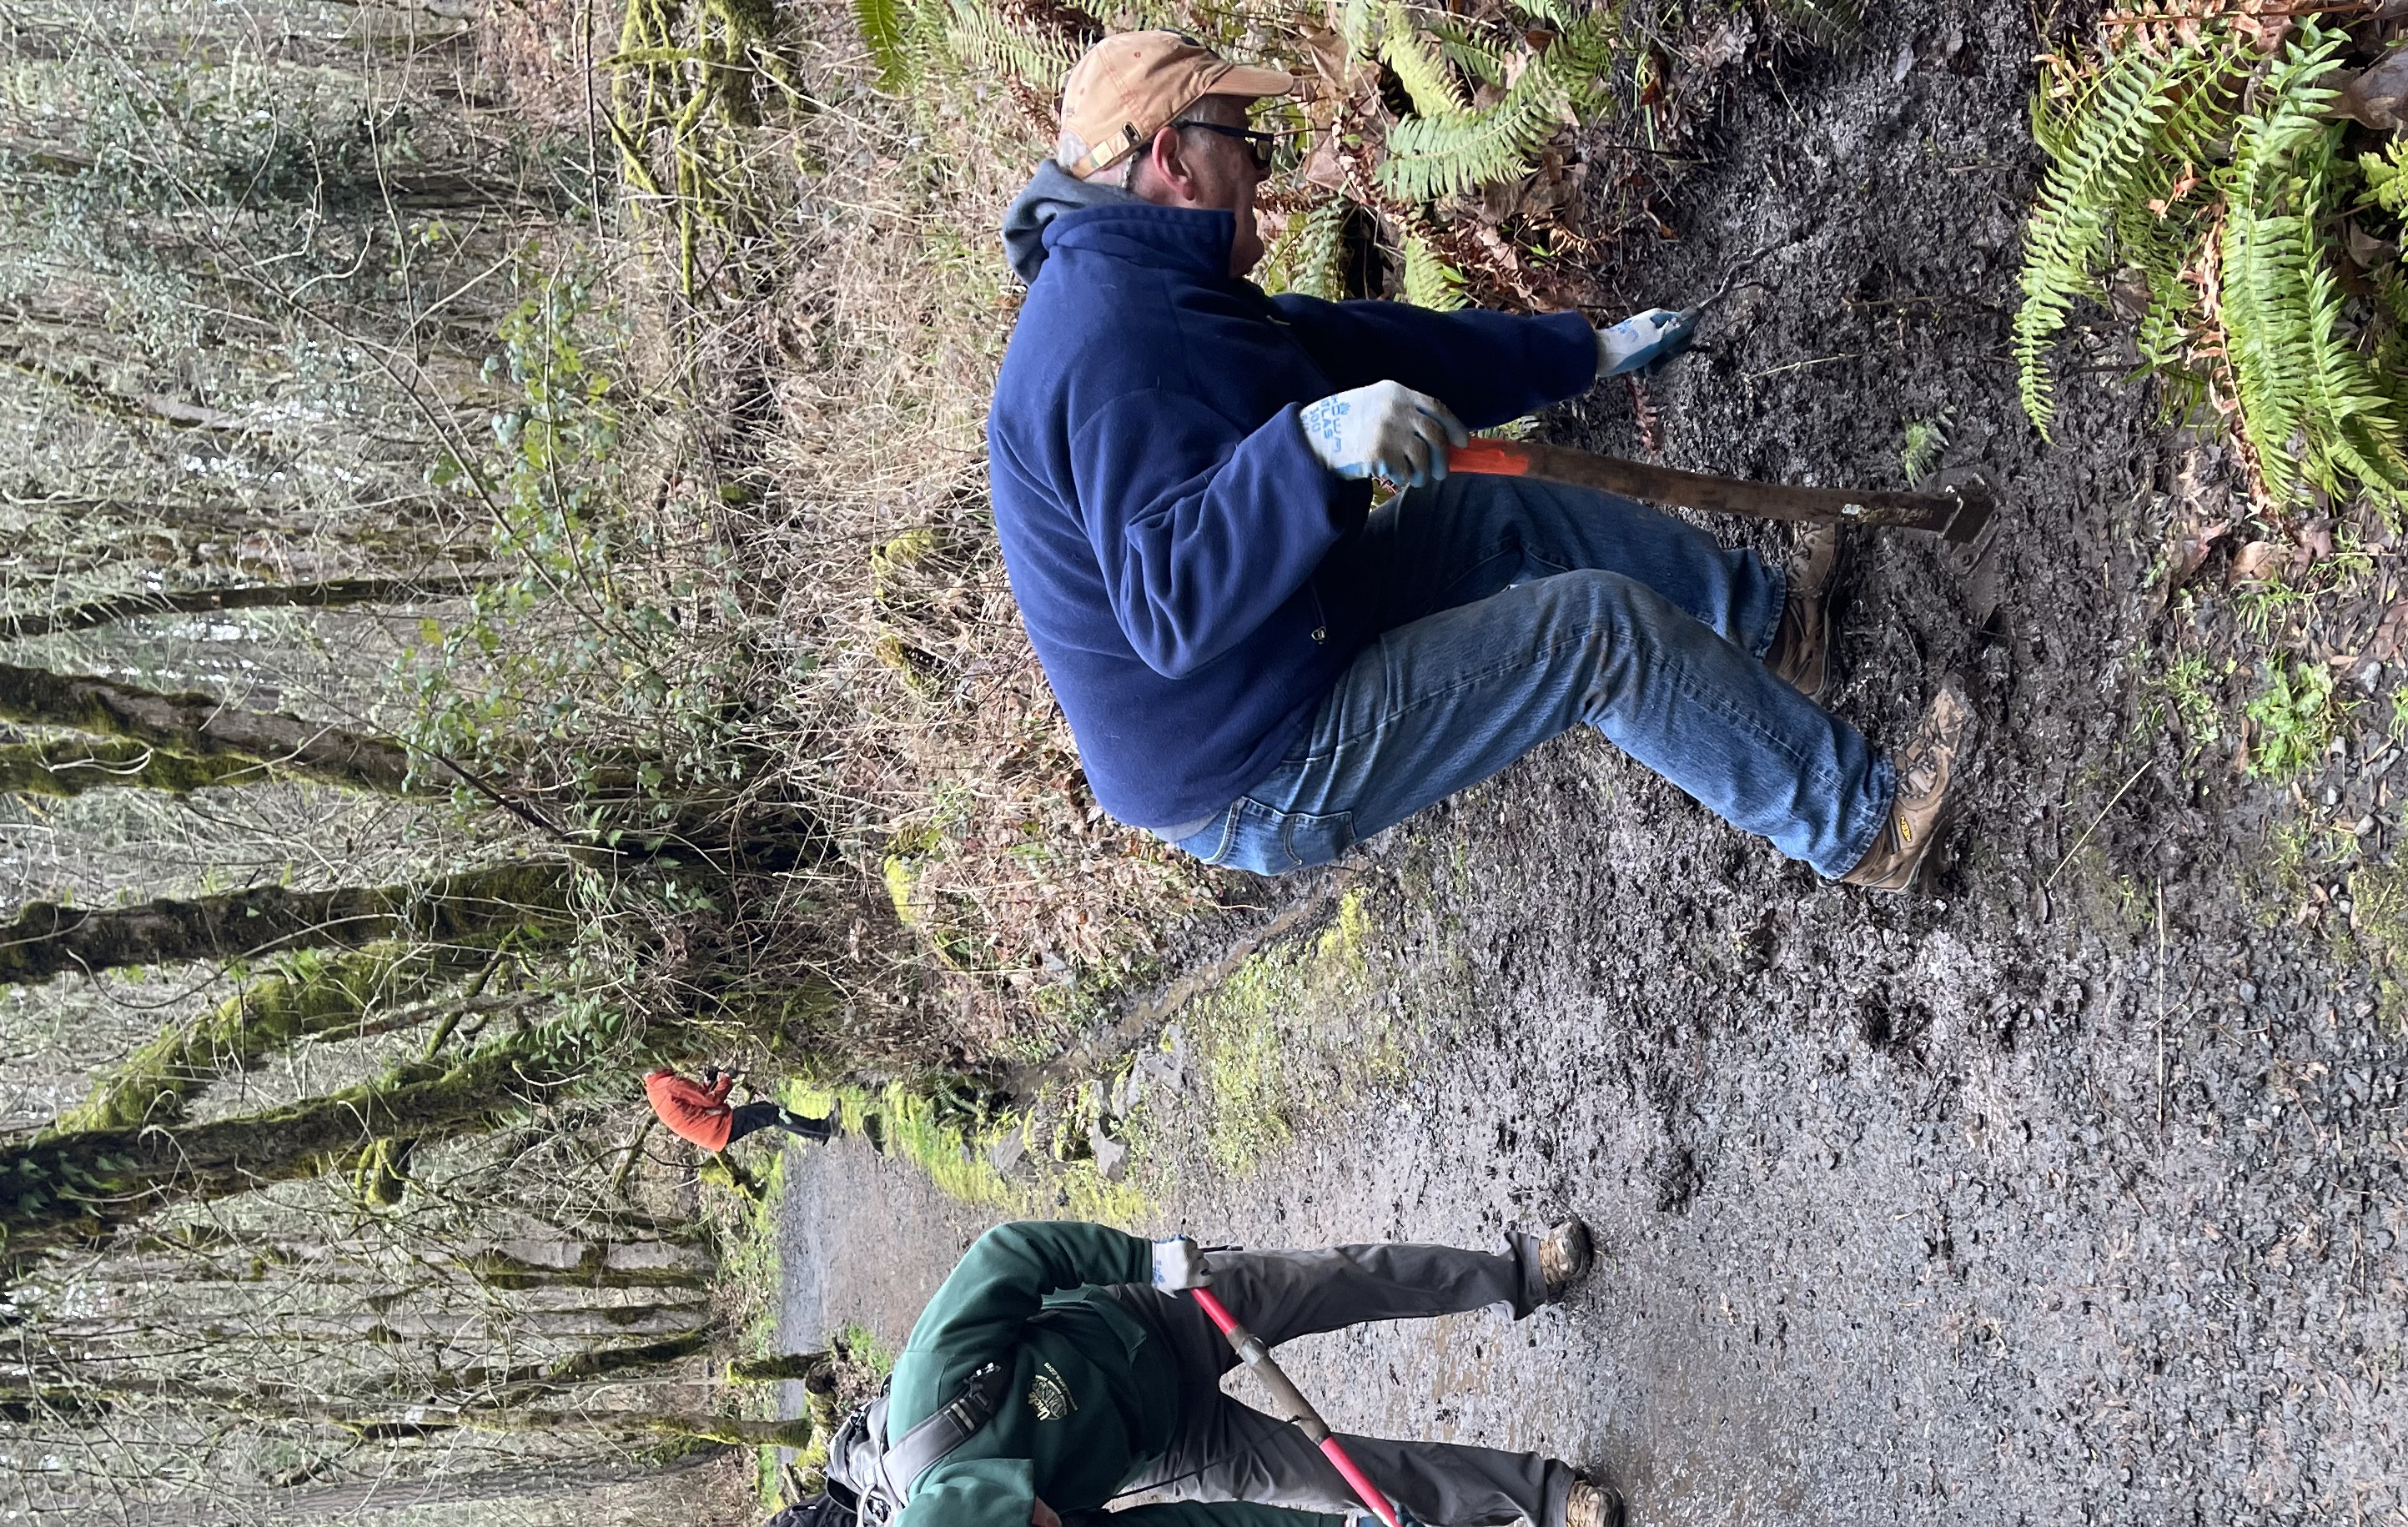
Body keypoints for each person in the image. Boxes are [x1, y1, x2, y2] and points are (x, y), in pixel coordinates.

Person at [987, 29, 1971, 894]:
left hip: (1286, 639)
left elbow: (1368, 352)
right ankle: (1862, 825)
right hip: (1252, 759)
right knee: (1593, 634)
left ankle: (1776, 640)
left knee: (1504, 510)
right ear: (1175, 161)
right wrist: (1308, 444)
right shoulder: (1113, 353)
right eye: (1247, 145)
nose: (1266, 173)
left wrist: (1578, 351)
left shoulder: (1157, 280)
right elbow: (1168, 602)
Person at [707, 1220, 1618, 1527]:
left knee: (1340, 1283)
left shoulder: (935, 1390)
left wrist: (1140, 1260)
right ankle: (1550, 1496)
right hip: (1170, 1441)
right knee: (1364, 1492)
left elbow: (1008, 1257)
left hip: (1148, 1318)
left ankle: (1518, 1273)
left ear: (1005, 1501)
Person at [643, 1065, 832, 1155]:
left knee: (765, 1111)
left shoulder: (655, 1090)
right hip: (717, 1127)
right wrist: (726, 1079)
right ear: (656, 1068)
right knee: (772, 1114)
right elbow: (711, 1101)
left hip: (710, 1134)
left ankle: (817, 1131)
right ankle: (820, 1131)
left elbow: (695, 1102)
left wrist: (709, 1081)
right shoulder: (669, 1084)